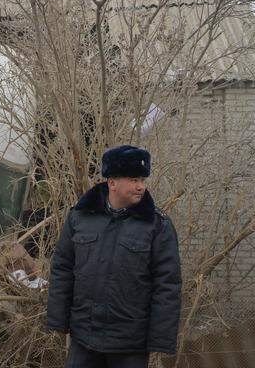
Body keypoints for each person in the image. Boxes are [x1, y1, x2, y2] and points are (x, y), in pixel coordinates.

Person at [46, 145, 182, 368]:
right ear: (112, 182)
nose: (141, 187)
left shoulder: (157, 226)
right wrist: (58, 321)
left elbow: (167, 285)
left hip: (130, 345)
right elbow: (62, 268)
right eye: (134, 179)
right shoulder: (80, 218)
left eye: (142, 180)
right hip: (84, 338)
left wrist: (160, 339)